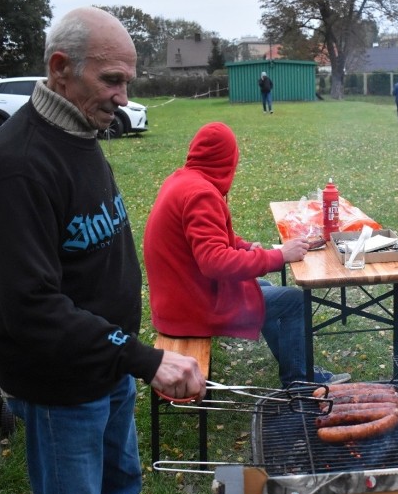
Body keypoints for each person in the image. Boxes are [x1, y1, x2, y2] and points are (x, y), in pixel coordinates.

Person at [0, 7, 206, 494]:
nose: (123, 96)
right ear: (59, 69)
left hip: (110, 367)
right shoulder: (16, 167)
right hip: (61, 387)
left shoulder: (80, 130)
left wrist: (127, 357)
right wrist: (146, 359)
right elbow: (32, 308)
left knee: (117, 493)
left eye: (128, 81)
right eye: (111, 80)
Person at [143, 122, 351, 387]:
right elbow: (214, 262)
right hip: (190, 307)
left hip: (179, 297)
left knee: (259, 287)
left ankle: (296, 365)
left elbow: (207, 240)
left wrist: (243, 247)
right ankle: (300, 381)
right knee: (294, 301)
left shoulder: (182, 180)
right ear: (228, 160)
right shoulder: (201, 194)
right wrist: (279, 257)